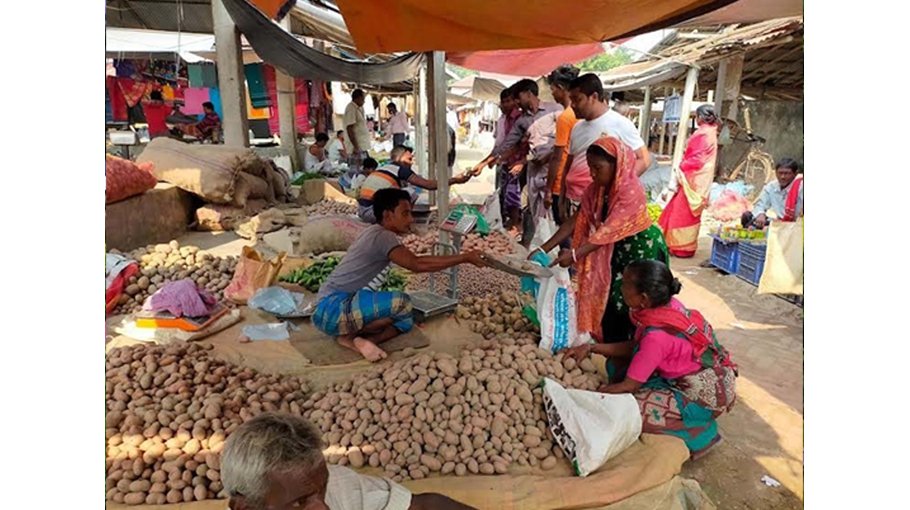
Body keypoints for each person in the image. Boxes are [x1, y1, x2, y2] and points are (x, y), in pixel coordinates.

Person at [564, 260, 737, 460]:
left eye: (625, 284)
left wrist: (590, 397)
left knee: (630, 413)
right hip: (695, 372)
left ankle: (699, 431)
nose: (620, 286)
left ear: (643, 298)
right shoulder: (665, 308)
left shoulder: (656, 336)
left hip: (705, 395)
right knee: (615, 364)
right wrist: (591, 347)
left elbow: (630, 385)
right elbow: (638, 347)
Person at [313, 189, 487, 361]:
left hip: (327, 310)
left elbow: (411, 260)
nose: (411, 219)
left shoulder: (373, 231)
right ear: (388, 215)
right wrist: (464, 257)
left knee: (404, 318)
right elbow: (416, 264)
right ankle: (356, 339)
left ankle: (355, 337)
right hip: (332, 310)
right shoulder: (384, 237)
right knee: (403, 303)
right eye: (405, 213)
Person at [534, 136, 669, 343]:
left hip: (640, 248)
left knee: (632, 300)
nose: (592, 173)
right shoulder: (595, 190)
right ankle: (612, 346)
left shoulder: (630, 190)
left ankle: (637, 347)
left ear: (617, 165)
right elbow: (577, 219)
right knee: (612, 297)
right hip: (613, 248)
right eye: (590, 167)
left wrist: (574, 255)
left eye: (598, 168)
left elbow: (607, 231)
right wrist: (543, 248)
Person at [222, 413, 477, 510]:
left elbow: (423, 506)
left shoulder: (334, 485)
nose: (322, 507)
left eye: (322, 489)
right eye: (299, 503)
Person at [559, 74, 651, 219]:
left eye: (577, 99)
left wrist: (615, 187)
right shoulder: (577, 128)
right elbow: (569, 164)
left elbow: (644, 159)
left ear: (594, 97)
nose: (573, 105)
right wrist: (562, 196)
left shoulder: (620, 123)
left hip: (600, 204)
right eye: (571, 100)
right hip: (573, 199)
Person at [656, 105, 721, 258]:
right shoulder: (711, 132)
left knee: (680, 214)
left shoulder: (703, 133)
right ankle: (679, 246)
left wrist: (682, 166)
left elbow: (697, 159)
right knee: (682, 212)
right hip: (698, 181)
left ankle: (681, 247)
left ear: (700, 117)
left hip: (693, 180)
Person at [357, 146, 473, 224]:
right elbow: (428, 185)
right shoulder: (400, 169)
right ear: (399, 158)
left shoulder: (385, 168)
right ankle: (402, 221)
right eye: (409, 159)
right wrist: (455, 180)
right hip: (372, 212)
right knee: (410, 192)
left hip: (362, 210)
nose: (411, 162)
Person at [472, 86, 522, 229]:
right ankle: (507, 221)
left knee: (513, 195)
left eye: (508, 101)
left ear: (515, 101)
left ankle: (515, 224)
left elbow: (515, 144)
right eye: (503, 102)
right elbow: (500, 143)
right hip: (503, 160)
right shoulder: (502, 119)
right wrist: (491, 159)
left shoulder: (519, 118)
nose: (504, 105)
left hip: (516, 162)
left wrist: (487, 161)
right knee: (503, 193)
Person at [544, 65, 580, 225]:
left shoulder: (565, 117)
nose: (552, 94)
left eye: (552, 89)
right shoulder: (581, 114)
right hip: (577, 181)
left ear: (560, 88)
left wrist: (548, 189)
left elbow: (557, 157)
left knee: (563, 230)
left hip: (562, 184)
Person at [741, 158, 804, 229]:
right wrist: (760, 214)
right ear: (776, 173)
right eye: (780, 173)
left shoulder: (801, 187)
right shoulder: (771, 186)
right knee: (747, 216)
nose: (782, 177)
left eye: (786, 173)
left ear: (795, 174)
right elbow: (761, 205)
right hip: (779, 222)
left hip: (796, 224)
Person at [344, 89, 372, 173]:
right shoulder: (351, 108)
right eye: (363, 99)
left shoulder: (359, 108)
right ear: (358, 98)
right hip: (356, 146)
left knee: (365, 168)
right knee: (356, 171)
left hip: (362, 145)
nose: (364, 101)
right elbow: (349, 128)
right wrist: (355, 146)